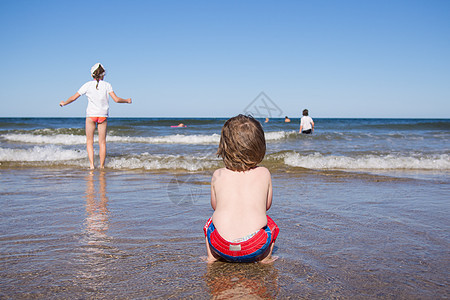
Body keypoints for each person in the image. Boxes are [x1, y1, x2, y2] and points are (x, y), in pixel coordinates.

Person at [204, 114, 279, 263]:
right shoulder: (264, 173)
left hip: (221, 245)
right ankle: (265, 259)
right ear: (259, 146)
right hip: (254, 246)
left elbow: (215, 206)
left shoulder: (217, 174)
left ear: (224, 147)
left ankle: (211, 258)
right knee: (270, 224)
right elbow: (267, 206)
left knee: (209, 225)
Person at [59, 63, 132, 169]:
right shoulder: (107, 85)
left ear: (92, 75)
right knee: (102, 142)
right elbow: (116, 99)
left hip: (91, 116)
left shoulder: (87, 85)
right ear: (103, 74)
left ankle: (92, 165)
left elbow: (74, 98)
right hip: (103, 116)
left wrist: (64, 103)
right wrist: (127, 100)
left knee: (89, 142)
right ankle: (102, 166)